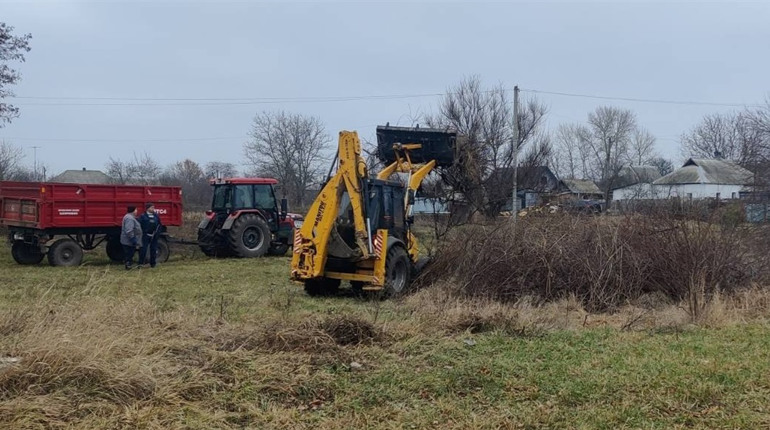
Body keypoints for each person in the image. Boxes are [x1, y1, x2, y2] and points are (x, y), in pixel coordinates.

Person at [138, 202, 163, 268]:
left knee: (154, 249)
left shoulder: (156, 216)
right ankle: (140, 263)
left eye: (153, 207)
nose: (153, 209)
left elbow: (159, 225)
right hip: (145, 235)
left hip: (154, 235)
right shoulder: (143, 216)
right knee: (143, 249)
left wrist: (157, 233)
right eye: (152, 207)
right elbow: (139, 225)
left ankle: (153, 263)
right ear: (147, 208)